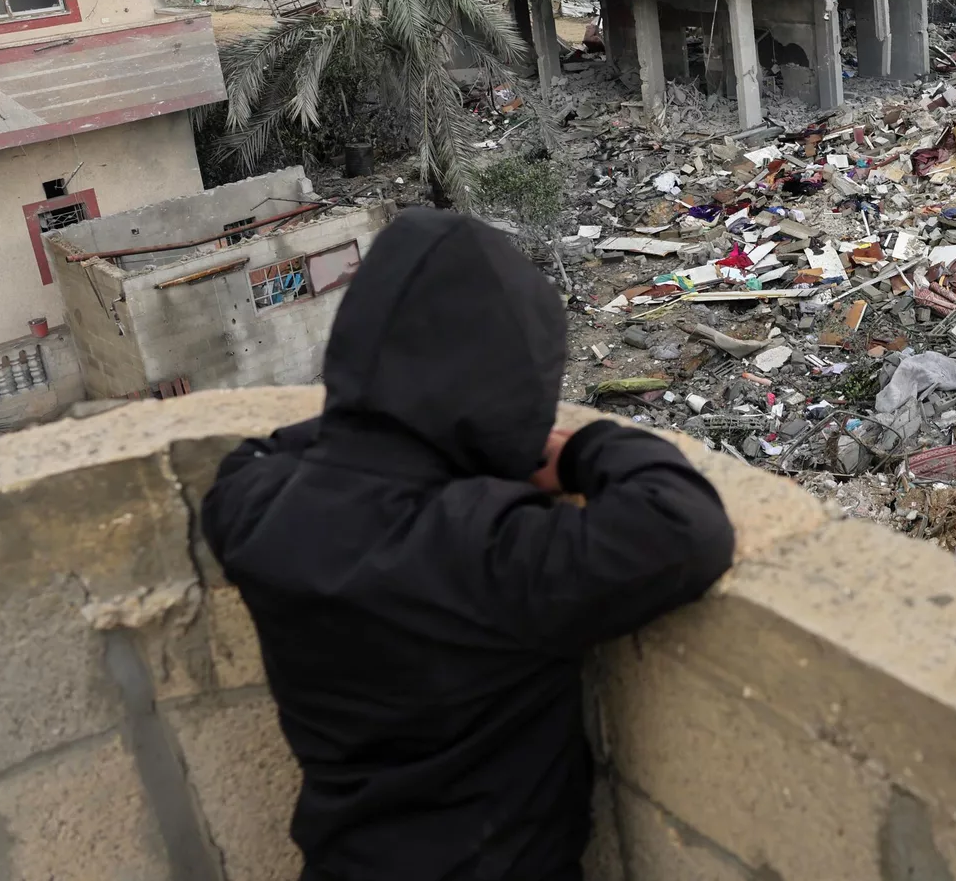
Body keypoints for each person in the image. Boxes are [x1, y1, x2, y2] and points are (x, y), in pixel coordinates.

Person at [201, 209, 736, 881]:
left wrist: (366, 416)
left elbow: (266, 451)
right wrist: (574, 451)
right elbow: (686, 525)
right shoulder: (487, 552)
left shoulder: (254, 510)